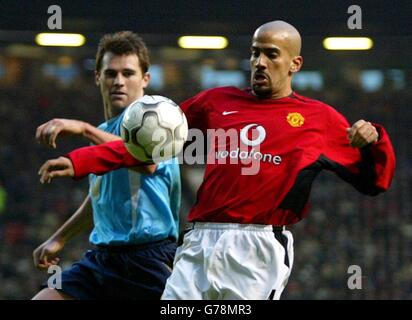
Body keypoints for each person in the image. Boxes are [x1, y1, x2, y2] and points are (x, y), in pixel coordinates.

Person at [38, 21, 396, 300]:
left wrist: (375, 140)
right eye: (255, 53)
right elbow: (150, 145)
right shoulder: (215, 101)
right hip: (198, 243)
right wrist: (82, 161)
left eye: (271, 54)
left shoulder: (318, 119)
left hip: (256, 248)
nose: (259, 62)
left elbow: (374, 182)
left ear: (295, 64)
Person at [32, 31, 181, 300]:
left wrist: (83, 129)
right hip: (102, 259)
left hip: (146, 260)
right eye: (111, 73)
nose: (119, 82)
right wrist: (60, 238)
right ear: (97, 76)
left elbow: (144, 160)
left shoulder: (161, 119)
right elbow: (98, 198)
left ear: (145, 79)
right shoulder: (103, 131)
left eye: (128, 73)